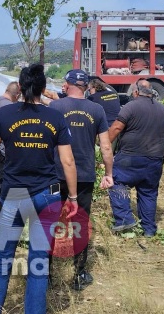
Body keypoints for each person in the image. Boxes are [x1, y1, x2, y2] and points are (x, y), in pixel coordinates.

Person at [0, 64, 78, 314]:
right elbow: (67, 161)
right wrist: (73, 197)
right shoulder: (55, 117)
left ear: (20, 88)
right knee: (39, 260)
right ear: (44, 88)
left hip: (14, 193)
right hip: (48, 194)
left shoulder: (5, 114)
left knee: (2, 258)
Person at [49, 69, 114, 291]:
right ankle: (79, 273)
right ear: (86, 86)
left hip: (56, 174)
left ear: (67, 85)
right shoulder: (96, 109)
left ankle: (45, 273)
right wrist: (108, 173)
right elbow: (105, 146)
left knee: (50, 220)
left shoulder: (56, 107)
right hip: (84, 174)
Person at [107, 79, 164, 237]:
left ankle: (124, 220)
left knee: (117, 182)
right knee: (149, 192)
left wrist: (103, 145)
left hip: (129, 158)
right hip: (155, 160)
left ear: (136, 92)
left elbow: (116, 127)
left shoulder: (130, 106)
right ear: (152, 92)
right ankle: (149, 229)